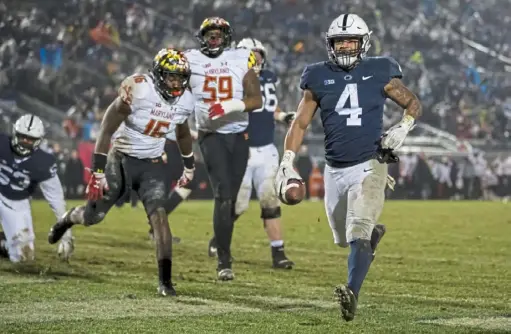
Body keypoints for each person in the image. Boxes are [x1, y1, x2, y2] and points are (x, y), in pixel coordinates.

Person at [274, 14, 422, 321]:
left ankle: (351, 292)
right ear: (330, 44)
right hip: (335, 169)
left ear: (363, 43)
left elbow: (413, 103)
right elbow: (300, 122)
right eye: (339, 42)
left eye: (350, 41)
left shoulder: (380, 70)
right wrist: (287, 161)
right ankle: (372, 238)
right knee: (344, 239)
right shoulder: (316, 76)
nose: (344, 48)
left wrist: (403, 127)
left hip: (370, 163)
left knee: (357, 232)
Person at [47, 48, 196, 297]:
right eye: (171, 77)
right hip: (122, 160)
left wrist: (189, 166)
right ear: (159, 74)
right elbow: (106, 128)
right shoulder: (139, 89)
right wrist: (97, 171)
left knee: (159, 217)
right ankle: (68, 218)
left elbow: (181, 133)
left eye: (181, 78)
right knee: (94, 216)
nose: (177, 83)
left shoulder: (185, 100)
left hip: (152, 164)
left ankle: (165, 281)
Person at [182, 17, 263, 280]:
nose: (213, 38)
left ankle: (219, 243)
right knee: (223, 195)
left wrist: (231, 106)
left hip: (239, 135)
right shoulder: (189, 59)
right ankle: (224, 259)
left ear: (226, 37)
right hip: (211, 134)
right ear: (202, 37)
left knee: (230, 199)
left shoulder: (242, 58)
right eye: (209, 34)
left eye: (218, 34)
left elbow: (256, 99)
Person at [207, 38, 295, 269]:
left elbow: (268, 107)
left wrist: (283, 116)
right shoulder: (232, 78)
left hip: (266, 149)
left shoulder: (267, 78)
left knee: (270, 201)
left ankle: (278, 253)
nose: (255, 59)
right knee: (238, 204)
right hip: (242, 148)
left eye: (258, 54)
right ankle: (219, 240)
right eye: (250, 54)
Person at [0, 114, 73, 262]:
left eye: (30, 139)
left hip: (16, 203)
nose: (25, 142)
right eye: (22, 137)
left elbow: (57, 200)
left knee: (24, 257)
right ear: (15, 133)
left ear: (38, 140)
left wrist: (66, 236)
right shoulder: (2, 143)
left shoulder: (43, 162)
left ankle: (3, 243)